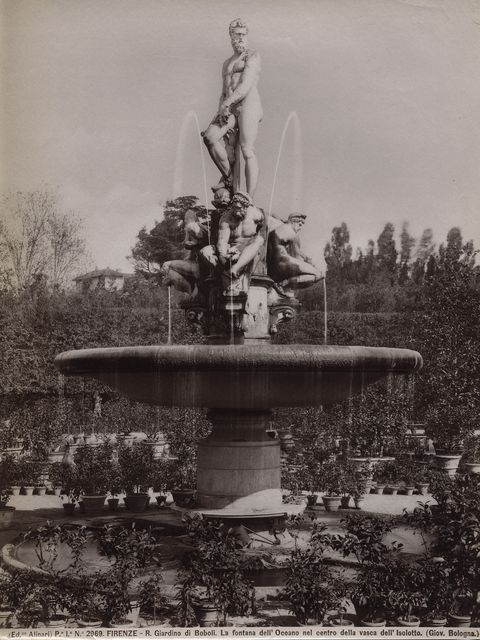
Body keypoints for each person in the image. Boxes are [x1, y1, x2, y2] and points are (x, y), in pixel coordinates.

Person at [202, 18, 262, 198]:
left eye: (244, 34)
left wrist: (227, 104)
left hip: (248, 104)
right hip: (229, 107)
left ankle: (247, 199)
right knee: (210, 137)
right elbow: (223, 91)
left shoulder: (253, 55)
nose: (241, 37)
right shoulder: (226, 63)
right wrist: (221, 109)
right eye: (238, 34)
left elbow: (246, 84)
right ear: (231, 36)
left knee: (246, 150)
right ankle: (229, 179)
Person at [161, 189, 231, 298]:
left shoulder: (195, 226)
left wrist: (194, 243)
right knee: (167, 269)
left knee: (166, 266)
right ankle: (192, 291)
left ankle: (193, 291)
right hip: (201, 264)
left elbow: (207, 239)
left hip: (199, 266)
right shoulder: (205, 225)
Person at [200, 191, 264, 295]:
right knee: (205, 251)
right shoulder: (226, 218)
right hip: (231, 248)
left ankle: (236, 269)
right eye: (234, 208)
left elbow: (262, 230)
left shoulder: (256, 214)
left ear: (246, 207)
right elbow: (222, 241)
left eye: (238, 208)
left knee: (259, 240)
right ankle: (226, 273)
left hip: (249, 246)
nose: (236, 211)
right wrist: (224, 256)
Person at [267, 213, 323, 297]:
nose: (300, 228)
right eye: (300, 224)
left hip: (271, 265)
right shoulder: (293, 234)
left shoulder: (279, 228)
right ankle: (284, 285)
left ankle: (282, 285)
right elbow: (297, 256)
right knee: (318, 275)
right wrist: (310, 262)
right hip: (282, 261)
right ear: (293, 222)